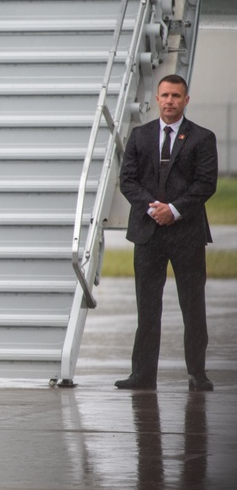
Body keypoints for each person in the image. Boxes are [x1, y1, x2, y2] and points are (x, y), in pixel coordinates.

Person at [116, 74, 218, 392]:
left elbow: (206, 183)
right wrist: (153, 208)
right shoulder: (139, 136)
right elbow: (128, 180)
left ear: (186, 100)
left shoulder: (202, 138)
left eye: (176, 95)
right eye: (165, 95)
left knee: (193, 306)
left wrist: (173, 210)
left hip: (186, 233)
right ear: (157, 99)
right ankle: (142, 375)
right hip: (148, 233)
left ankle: (197, 374)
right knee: (147, 308)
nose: (170, 100)